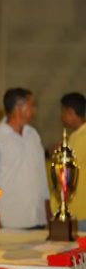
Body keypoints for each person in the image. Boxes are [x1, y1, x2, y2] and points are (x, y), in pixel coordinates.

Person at [0, 87, 50, 229]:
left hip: (38, 218)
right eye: (31, 105)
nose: (34, 110)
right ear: (19, 109)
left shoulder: (33, 135)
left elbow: (42, 175)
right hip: (11, 222)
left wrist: (48, 211)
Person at [60, 92, 86, 230]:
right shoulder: (74, 136)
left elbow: (68, 170)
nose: (61, 116)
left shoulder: (83, 136)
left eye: (63, 112)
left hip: (82, 212)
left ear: (70, 112)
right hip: (76, 209)